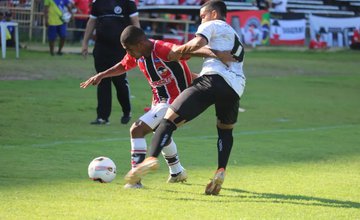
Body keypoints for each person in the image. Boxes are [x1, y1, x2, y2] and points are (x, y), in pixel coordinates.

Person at [125, 0, 246, 196]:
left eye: (203, 16)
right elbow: (223, 63)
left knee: (168, 121)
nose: (201, 20)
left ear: (213, 13)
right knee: (225, 131)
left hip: (212, 81)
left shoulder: (212, 24)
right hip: (235, 88)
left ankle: (150, 159)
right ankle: (220, 170)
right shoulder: (233, 35)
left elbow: (197, 44)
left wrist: (178, 51)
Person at [80, 25, 220, 188]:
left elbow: (183, 51)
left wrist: (215, 54)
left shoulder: (162, 50)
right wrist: (102, 75)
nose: (128, 53)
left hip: (176, 101)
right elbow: (123, 65)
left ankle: (135, 180)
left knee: (136, 129)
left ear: (140, 44)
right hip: (160, 102)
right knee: (161, 133)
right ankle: (177, 172)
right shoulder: (138, 54)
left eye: (129, 49)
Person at [81, 0, 140, 125]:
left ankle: (126, 111)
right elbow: (91, 22)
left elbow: (135, 23)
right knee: (101, 80)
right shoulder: (98, 3)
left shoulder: (128, 3)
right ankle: (102, 117)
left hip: (120, 49)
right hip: (101, 48)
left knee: (119, 81)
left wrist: (138, 44)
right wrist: (85, 42)